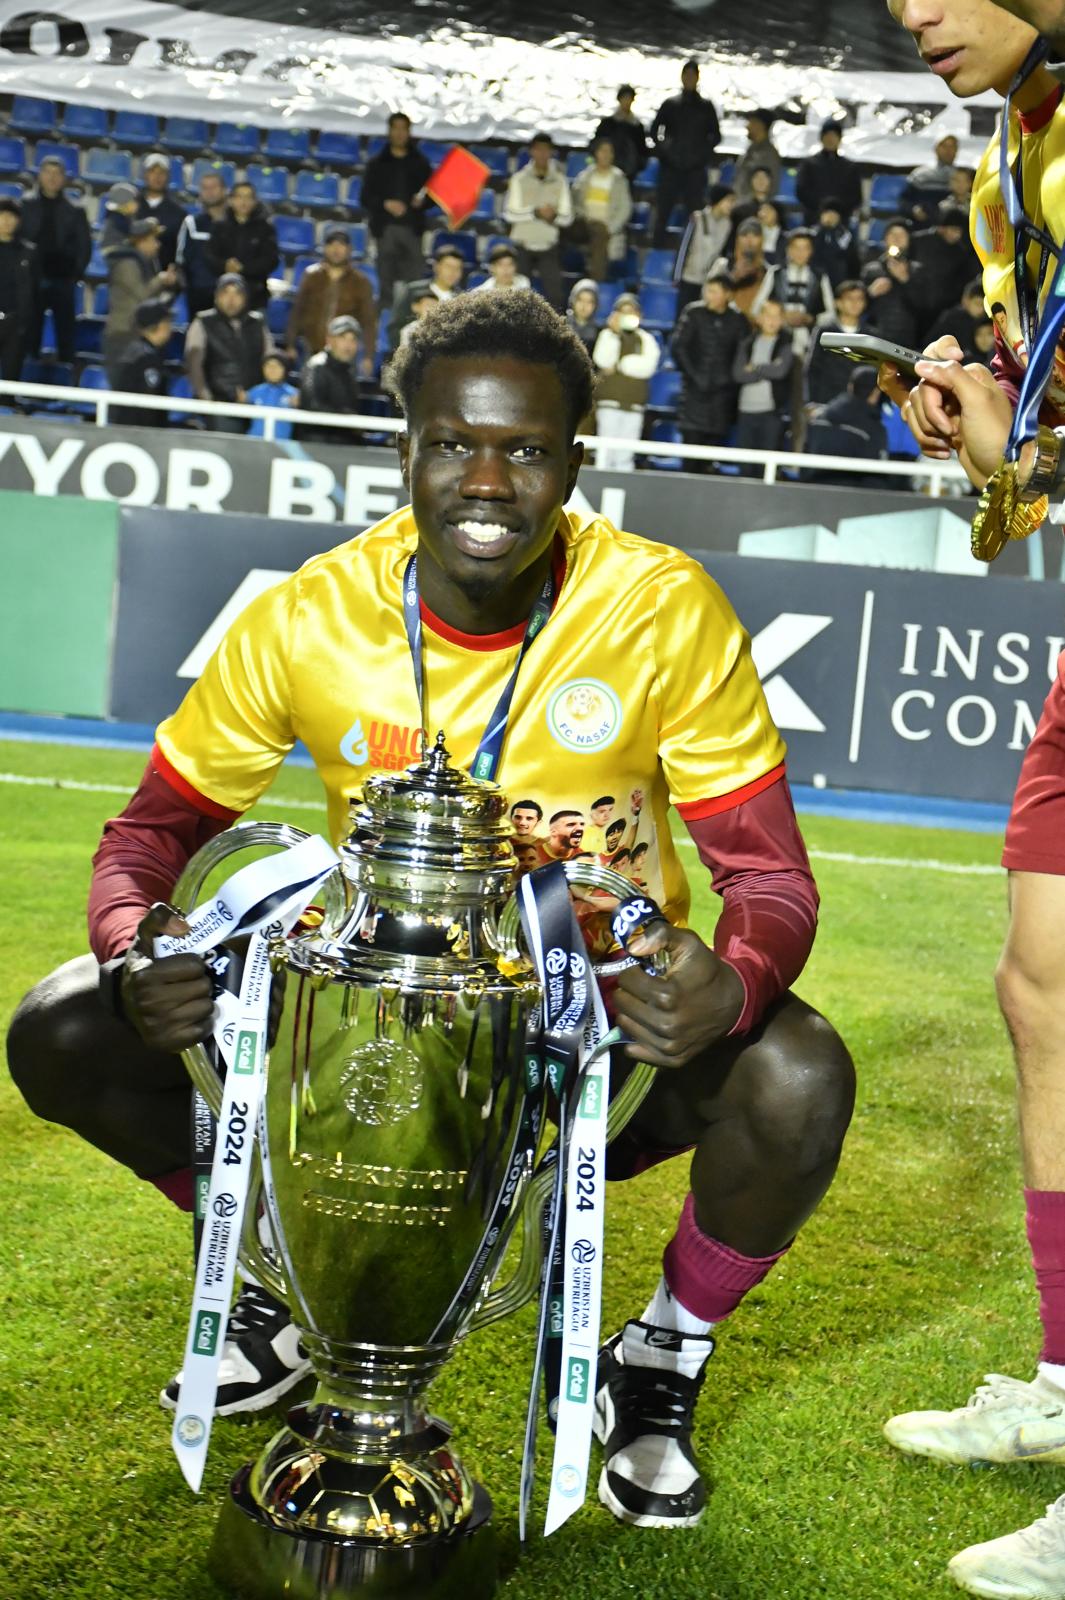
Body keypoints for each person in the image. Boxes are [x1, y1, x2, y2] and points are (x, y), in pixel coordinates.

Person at [6, 289, 853, 1533]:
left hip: (590, 1046)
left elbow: (770, 879)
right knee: (66, 1024)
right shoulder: (309, 613)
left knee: (800, 1074)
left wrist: (730, 982)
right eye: (454, 442)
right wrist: (136, 947)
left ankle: (662, 1350)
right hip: (370, 1048)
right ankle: (281, 1277)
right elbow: (147, 837)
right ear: (405, 449)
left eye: (527, 449)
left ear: (576, 462)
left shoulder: (661, 607)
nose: (488, 481)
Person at [880, 1, 1065, 1594]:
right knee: (1041, 994)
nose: (912, 11)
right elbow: (1022, 500)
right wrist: (994, 436)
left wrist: (1020, 446)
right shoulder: (1018, 158)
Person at [671, 270, 748, 467]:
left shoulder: (738, 320)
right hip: (693, 396)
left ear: (728, 294)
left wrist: (728, 380)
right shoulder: (693, 313)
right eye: (708, 290)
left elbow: (742, 355)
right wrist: (695, 376)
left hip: (721, 401)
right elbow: (679, 348)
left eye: (715, 291)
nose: (709, 296)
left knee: (709, 460)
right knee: (690, 459)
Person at [20, 155, 92, 364]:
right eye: (47, 172)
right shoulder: (25, 205)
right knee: (29, 333)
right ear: (40, 176)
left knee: (66, 335)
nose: (52, 178)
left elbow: (84, 247)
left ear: (64, 179)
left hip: (63, 280)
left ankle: (66, 374)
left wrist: (74, 274)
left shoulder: (76, 210)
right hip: (31, 279)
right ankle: (27, 376)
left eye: (57, 173)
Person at [184, 273, 272, 434]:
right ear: (217, 297)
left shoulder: (258, 323)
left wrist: (265, 398)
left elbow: (270, 360)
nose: (231, 300)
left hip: (255, 404)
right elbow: (194, 365)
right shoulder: (203, 322)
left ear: (245, 298)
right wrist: (207, 400)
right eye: (225, 293)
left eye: (237, 294)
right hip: (220, 405)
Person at [361, 113, 432, 312]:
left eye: (404, 128)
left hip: (413, 231)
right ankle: (386, 326)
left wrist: (423, 201)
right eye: (396, 128)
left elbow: (432, 197)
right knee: (385, 284)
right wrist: (385, 204)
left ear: (409, 132)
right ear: (389, 131)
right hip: (385, 230)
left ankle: (412, 323)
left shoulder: (421, 163)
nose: (400, 133)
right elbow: (365, 197)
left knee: (415, 285)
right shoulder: (376, 164)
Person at [649, 60, 721, 248]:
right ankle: (657, 249)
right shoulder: (670, 104)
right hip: (670, 167)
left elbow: (716, 136)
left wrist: (701, 153)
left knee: (695, 213)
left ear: (698, 78)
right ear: (681, 77)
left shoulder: (706, 106)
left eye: (692, 75)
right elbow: (655, 131)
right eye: (686, 75)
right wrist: (666, 148)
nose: (689, 79)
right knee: (663, 211)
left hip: (695, 170)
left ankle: (693, 248)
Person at [286, 224, 377, 372]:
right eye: (332, 245)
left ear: (349, 249)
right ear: (325, 248)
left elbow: (368, 321)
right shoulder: (311, 275)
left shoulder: (361, 282)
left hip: (344, 353)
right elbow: (297, 311)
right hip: (311, 348)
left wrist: (368, 356)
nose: (336, 250)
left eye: (341, 245)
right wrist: (290, 344)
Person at [503, 133, 573, 310]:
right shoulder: (519, 179)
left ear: (551, 152)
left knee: (556, 297)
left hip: (548, 246)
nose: (542, 154)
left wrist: (554, 216)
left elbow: (567, 218)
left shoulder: (560, 181)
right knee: (515, 298)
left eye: (546, 150)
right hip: (522, 245)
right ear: (532, 151)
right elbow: (510, 214)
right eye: (538, 149)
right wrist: (534, 213)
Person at [591, 292, 660, 470]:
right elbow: (603, 360)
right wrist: (615, 335)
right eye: (623, 312)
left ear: (639, 315)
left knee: (625, 456)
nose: (627, 316)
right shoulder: (607, 335)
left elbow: (647, 367)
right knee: (604, 454)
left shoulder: (647, 339)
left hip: (634, 406)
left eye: (631, 311)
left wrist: (621, 364)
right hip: (608, 404)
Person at [104, 218, 177, 379]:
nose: (158, 245)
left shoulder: (145, 263)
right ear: (141, 241)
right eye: (153, 240)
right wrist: (160, 280)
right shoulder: (127, 263)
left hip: (138, 334)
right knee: (122, 383)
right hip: (123, 335)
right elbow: (142, 295)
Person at [753, 229, 834, 360]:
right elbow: (756, 308)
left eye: (805, 248)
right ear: (789, 250)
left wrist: (811, 319)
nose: (800, 253)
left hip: (809, 341)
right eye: (796, 248)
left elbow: (831, 314)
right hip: (777, 338)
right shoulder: (775, 273)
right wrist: (780, 317)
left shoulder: (820, 276)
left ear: (811, 251)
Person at [732, 299, 793, 469]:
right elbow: (738, 375)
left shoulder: (786, 345)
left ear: (782, 320)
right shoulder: (747, 344)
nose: (772, 320)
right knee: (745, 466)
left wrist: (755, 367)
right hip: (745, 411)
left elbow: (780, 372)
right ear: (758, 318)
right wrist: (767, 370)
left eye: (777, 316)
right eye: (767, 315)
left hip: (771, 413)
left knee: (766, 466)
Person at [804, 367, 888, 488]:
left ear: (850, 387)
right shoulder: (874, 429)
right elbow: (876, 477)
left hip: (812, 491)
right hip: (852, 495)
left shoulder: (818, 420)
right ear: (876, 392)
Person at [908, 199, 982, 336]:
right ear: (942, 228)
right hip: (914, 304)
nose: (957, 235)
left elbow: (964, 281)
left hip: (941, 311)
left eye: (959, 231)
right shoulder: (918, 241)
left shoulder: (961, 252)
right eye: (953, 230)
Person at [206, 180, 280, 312]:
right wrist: (225, 265)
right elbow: (209, 256)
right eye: (239, 196)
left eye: (248, 197)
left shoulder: (266, 228)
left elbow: (271, 260)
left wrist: (243, 268)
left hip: (256, 296)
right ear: (231, 200)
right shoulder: (219, 226)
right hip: (223, 294)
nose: (243, 201)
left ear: (255, 201)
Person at [570, 137, 632, 283]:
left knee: (599, 233)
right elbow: (574, 201)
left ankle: (595, 281)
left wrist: (610, 228)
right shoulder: (585, 176)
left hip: (606, 227)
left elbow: (625, 209)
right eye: (602, 151)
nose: (606, 155)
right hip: (584, 223)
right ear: (596, 153)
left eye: (609, 151)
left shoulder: (619, 179)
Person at [297, 314, 363, 445]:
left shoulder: (349, 370)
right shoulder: (317, 366)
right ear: (329, 340)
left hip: (342, 444)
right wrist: (347, 417)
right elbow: (312, 406)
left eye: (353, 339)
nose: (348, 345)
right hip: (317, 444)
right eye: (342, 338)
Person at [804, 279, 869, 409]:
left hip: (860, 404)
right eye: (849, 298)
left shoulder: (871, 336)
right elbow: (813, 368)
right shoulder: (824, 331)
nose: (855, 303)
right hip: (827, 401)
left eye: (859, 298)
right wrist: (812, 401)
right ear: (838, 303)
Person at [110, 298, 173, 428]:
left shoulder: (133, 350)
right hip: (141, 432)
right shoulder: (147, 358)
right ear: (161, 325)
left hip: (124, 428)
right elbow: (149, 406)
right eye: (168, 322)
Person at [175, 169, 229, 320]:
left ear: (224, 190)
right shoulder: (191, 223)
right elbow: (181, 261)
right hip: (198, 295)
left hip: (229, 294)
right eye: (205, 188)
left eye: (214, 187)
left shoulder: (235, 224)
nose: (209, 192)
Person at [389, 244, 464, 349]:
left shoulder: (461, 299)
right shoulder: (413, 291)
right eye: (448, 266)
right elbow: (395, 327)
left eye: (457, 268)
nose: (453, 272)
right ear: (436, 266)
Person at [674, 184, 736, 311]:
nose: (731, 205)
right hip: (689, 278)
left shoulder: (728, 224)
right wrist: (677, 276)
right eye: (729, 201)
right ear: (718, 200)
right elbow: (683, 248)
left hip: (709, 282)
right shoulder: (697, 218)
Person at [862, 224, 922, 349]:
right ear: (885, 239)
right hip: (875, 335)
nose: (897, 238)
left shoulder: (917, 270)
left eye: (902, 235)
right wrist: (870, 293)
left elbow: (926, 306)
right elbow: (857, 305)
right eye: (893, 234)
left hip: (908, 339)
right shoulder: (871, 270)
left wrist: (905, 280)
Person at [795, 118, 863, 225]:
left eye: (834, 136)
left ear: (840, 139)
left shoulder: (850, 167)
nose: (830, 139)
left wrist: (836, 212)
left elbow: (856, 196)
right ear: (821, 138)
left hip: (842, 220)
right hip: (813, 218)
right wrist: (822, 210)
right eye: (827, 136)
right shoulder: (808, 164)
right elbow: (802, 191)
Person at [0, 198, 34, 381]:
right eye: (2, 215)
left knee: (12, 374)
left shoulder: (28, 252)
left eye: (11, 216)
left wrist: (24, 321)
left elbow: (33, 291)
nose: (7, 221)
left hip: (15, 322)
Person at [136, 153, 185, 271]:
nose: (157, 177)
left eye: (162, 173)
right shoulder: (131, 206)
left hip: (163, 274)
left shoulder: (178, 213)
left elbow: (180, 249)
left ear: (168, 176)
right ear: (145, 175)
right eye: (152, 171)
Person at [901, 132, 963, 225]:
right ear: (936, 149)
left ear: (957, 151)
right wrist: (913, 209)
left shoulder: (964, 176)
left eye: (952, 147)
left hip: (955, 225)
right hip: (924, 224)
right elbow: (904, 200)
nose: (948, 151)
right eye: (944, 146)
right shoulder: (920, 174)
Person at [925, 276, 991, 360]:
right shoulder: (953, 318)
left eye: (983, 305)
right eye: (977, 304)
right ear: (967, 301)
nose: (981, 309)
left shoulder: (983, 320)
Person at [592, 85, 649, 183]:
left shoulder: (637, 126)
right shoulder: (607, 123)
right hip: (608, 168)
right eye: (624, 98)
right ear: (619, 99)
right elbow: (596, 144)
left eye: (629, 98)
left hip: (630, 171)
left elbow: (642, 149)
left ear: (633, 100)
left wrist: (638, 166)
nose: (627, 101)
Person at [732, 110, 782, 204]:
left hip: (751, 207)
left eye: (750, 122)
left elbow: (766, 189)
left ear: (759, 125)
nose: (747, 127)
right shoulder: (753, 148)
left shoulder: (767, 153)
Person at [247, 350, 299, 440]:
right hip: (254, 442)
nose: (272, 369)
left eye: (277, 366)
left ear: (284, 369)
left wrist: (300, 404)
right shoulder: (255, 391)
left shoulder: (293, 394)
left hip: (282, 444)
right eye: (268, 365)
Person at [810, 198, 861, 288]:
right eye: (827, 213)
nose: (830, 217)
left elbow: (846, 257)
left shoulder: (845, 235)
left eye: (833, 214)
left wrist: (832, 230)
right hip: (814, 274)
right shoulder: (812, 232)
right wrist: (823, 230)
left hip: (838, 276)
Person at [100, 181, 140, 258]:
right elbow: (133, 229)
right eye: (134, 201)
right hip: (111, 251)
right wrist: (149, 223)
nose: (137, 205)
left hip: (117, 249)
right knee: (137, 255)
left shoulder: (123, 216)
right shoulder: (117, 217)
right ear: (126, 203)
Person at [566, 278, 600, 356]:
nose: (584, 306)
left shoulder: (599, 332)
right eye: (580, 300)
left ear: (596, 305)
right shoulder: (561, 325)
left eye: (589, 302)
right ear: (573, 300)